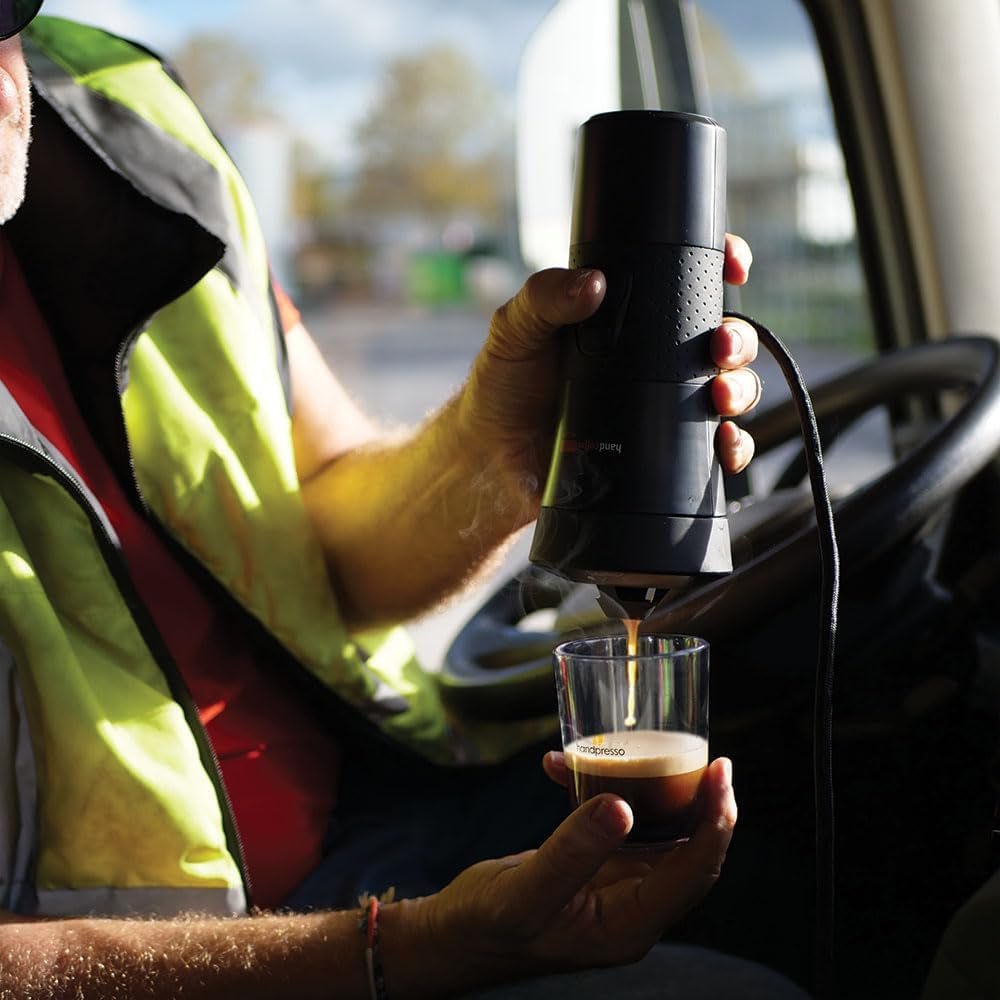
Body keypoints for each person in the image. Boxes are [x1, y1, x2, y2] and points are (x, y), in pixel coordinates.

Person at [0, 6, 810, 998]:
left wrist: (504, 452)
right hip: (205, 956)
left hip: (373, 808)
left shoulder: (123, 118)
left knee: (794, 844)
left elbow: (324, 545)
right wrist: (398, 951)